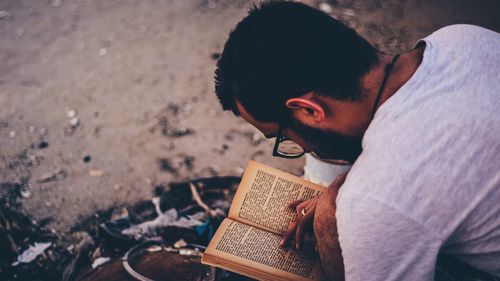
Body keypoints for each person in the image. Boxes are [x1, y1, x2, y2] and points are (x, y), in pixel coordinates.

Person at [213, 1, 500, 280]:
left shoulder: (376, 202)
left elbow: (401, 185)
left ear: (310, 110)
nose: (302, 148)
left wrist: (340, 203)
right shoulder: (461, 37)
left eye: (283, 136)